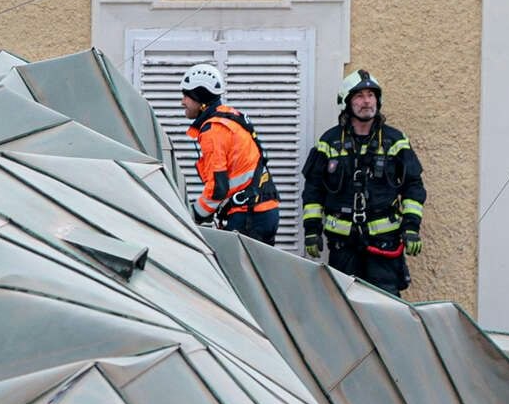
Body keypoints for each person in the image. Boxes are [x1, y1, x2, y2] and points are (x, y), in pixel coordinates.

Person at [301, 69, 426, 295]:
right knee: (344, 305)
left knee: (386, 307)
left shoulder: (395, 141)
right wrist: (312, 230)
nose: (367, 101)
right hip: (342, 245)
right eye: (359, 96)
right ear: (346, 102)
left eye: (371, 95)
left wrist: (411, 227)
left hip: (384, 243)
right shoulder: (328, 142)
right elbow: (313, 190)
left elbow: (413, 185)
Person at [179, 62, 281, 244]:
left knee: (236, 272)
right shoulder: (228, 117)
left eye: (186, 95)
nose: (182, 102)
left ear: (200, 98)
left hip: (249, 215)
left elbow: (218, 188)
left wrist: (193, 214)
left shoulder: (214, 130)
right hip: (258, 211)